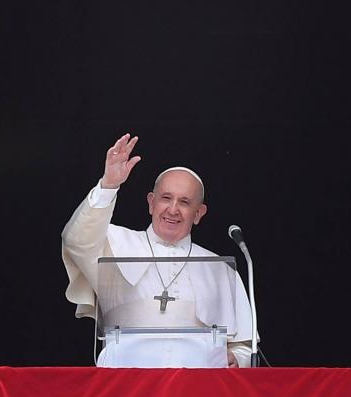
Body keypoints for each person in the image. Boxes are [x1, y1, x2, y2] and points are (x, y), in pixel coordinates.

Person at [62, 133, 255, 368]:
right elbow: (76, 241)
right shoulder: (114, 243)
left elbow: (243, 346)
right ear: (151, 203)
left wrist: (237, 359)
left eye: (184, 202)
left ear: (198, 214)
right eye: (166, 198)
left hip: (198, 387)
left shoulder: (220, 269)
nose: (173, 209)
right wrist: (108, 185)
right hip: (126, 382)